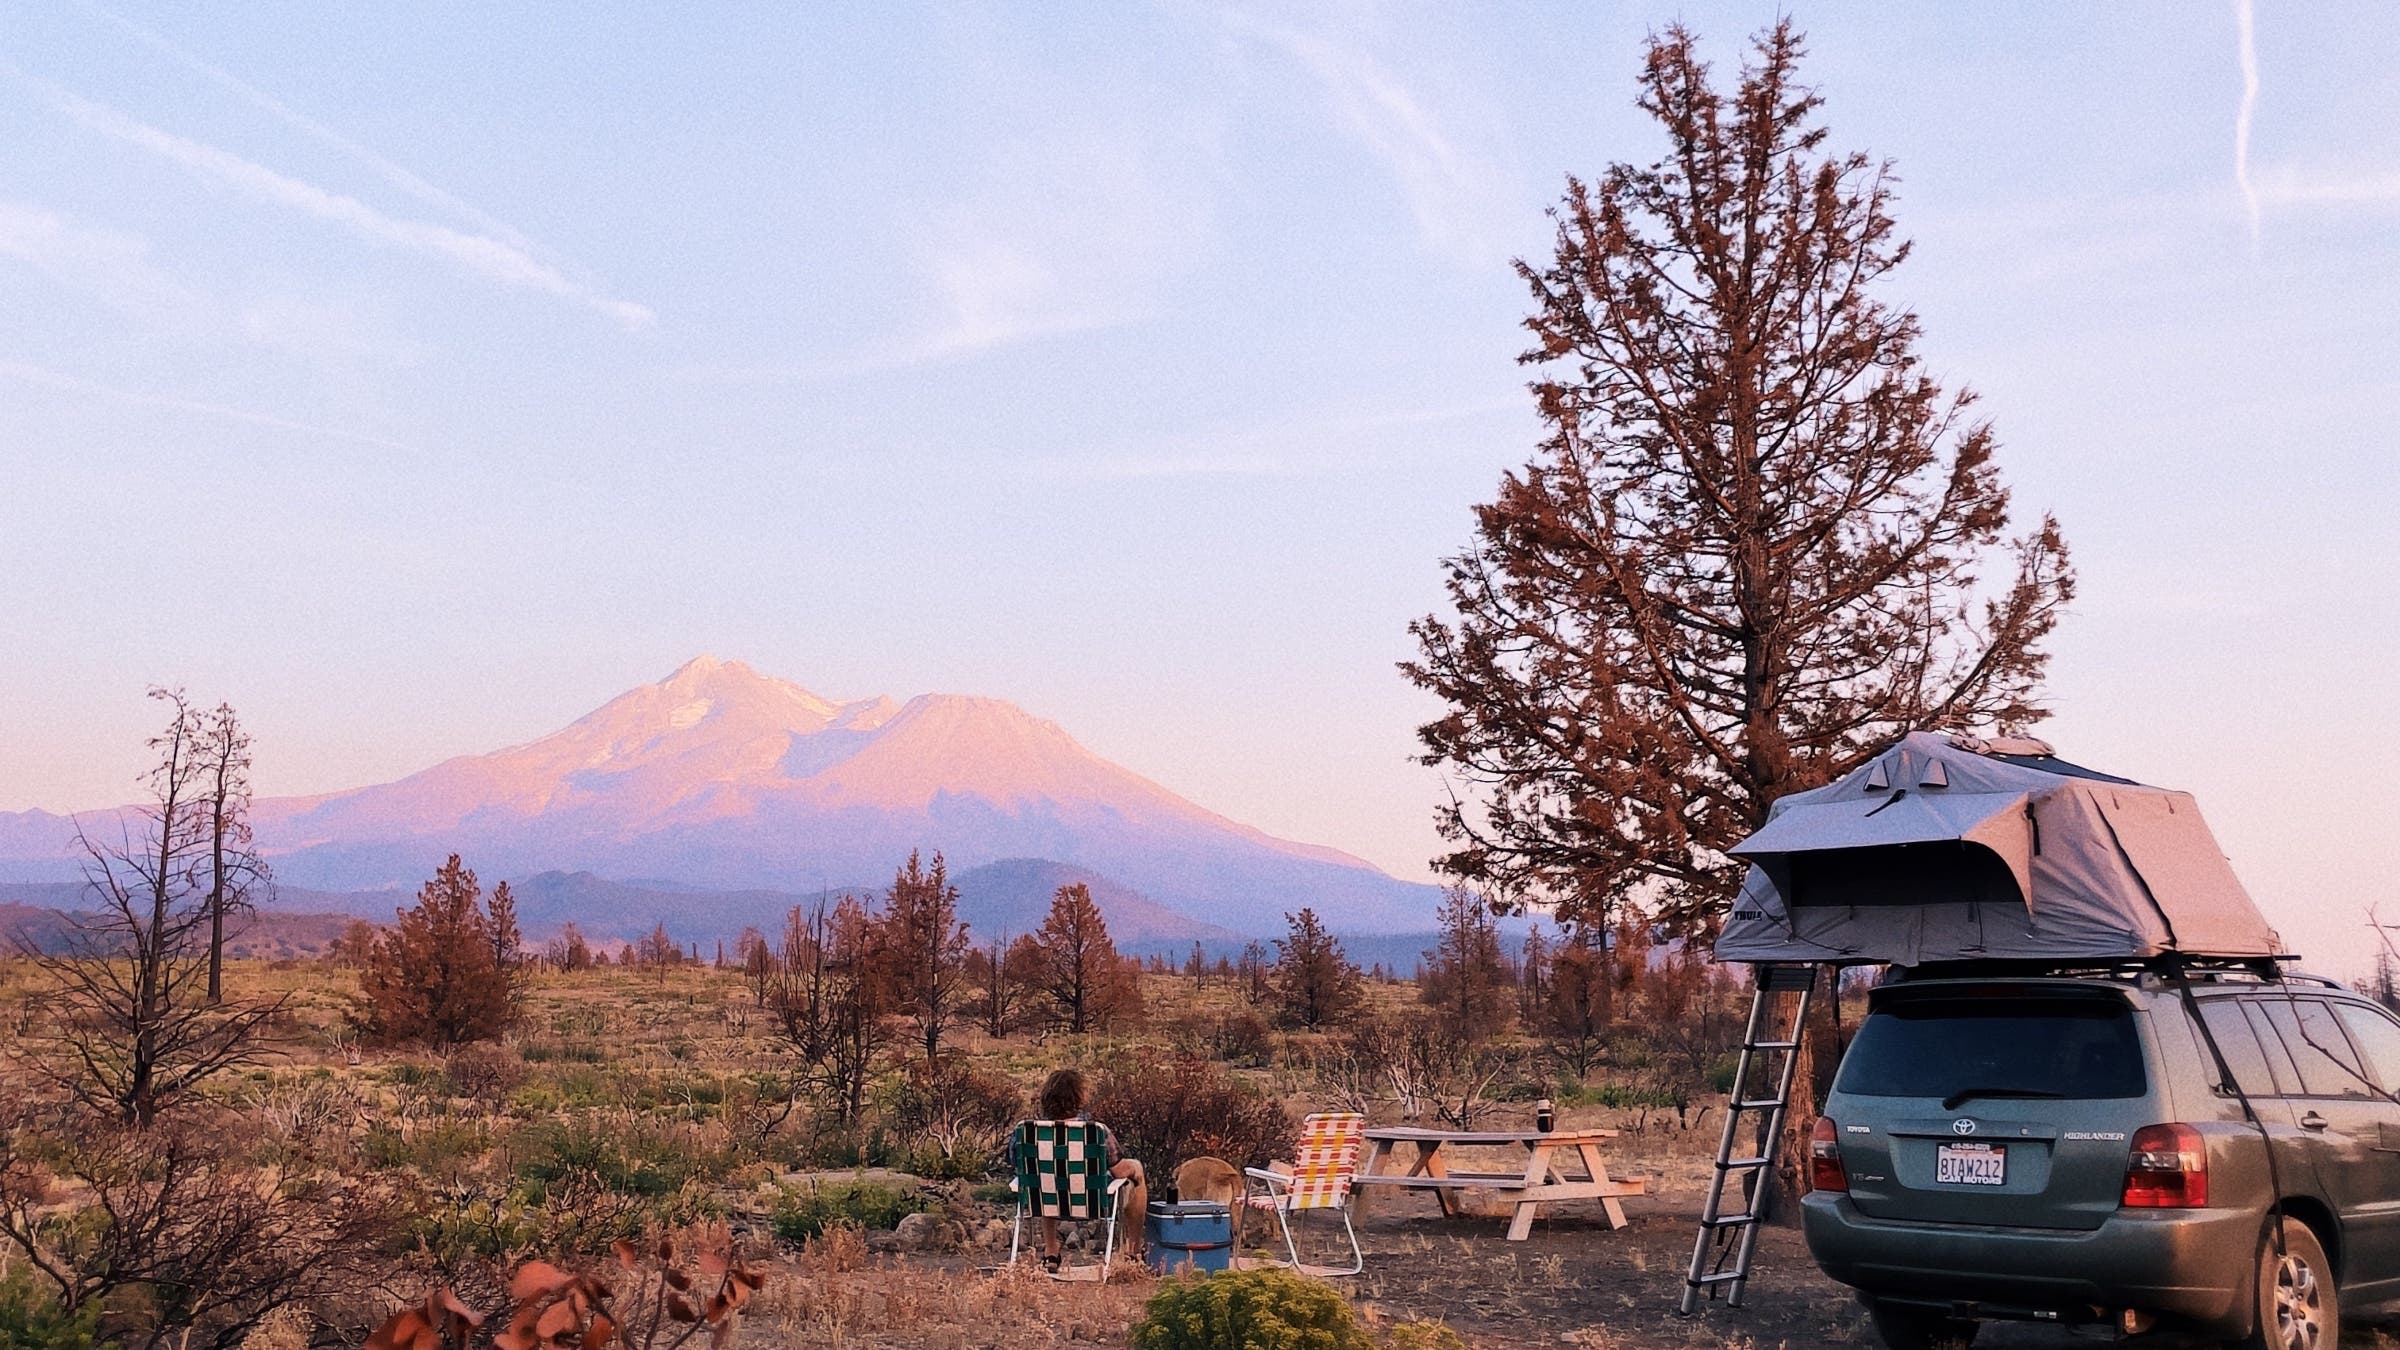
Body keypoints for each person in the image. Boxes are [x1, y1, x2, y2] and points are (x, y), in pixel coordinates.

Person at [1031, 1067, 1147, 1270]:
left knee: (1048, 1177)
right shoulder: (1095, 1132)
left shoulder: (1028, 1132)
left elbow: (1017, 1165)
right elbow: (1119, 1171)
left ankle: (1051, 1252)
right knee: (1135, 1168)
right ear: (1079, 1098)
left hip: (1045, 1200)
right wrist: (1134, 1170)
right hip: (1091, 1202)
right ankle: (1134, 1252)